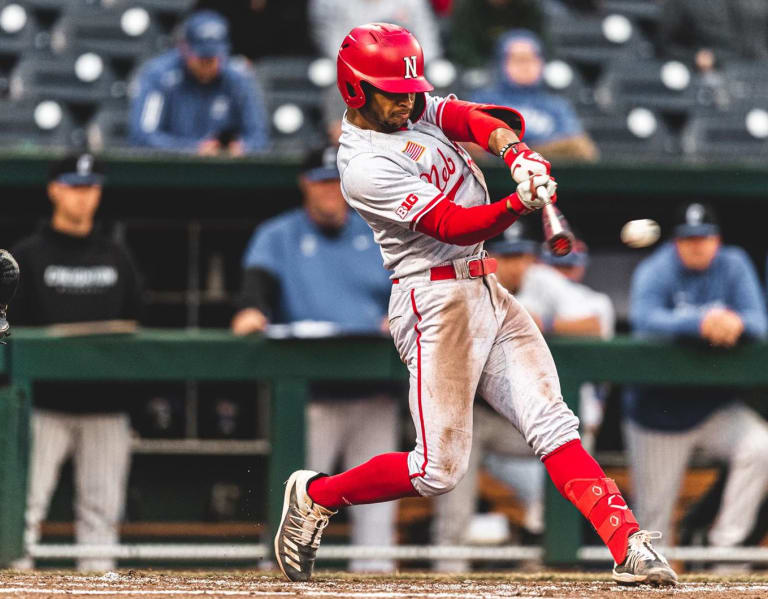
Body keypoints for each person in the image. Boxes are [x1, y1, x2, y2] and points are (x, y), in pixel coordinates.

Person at [273, 23, 677, 585]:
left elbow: (467, 118)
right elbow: (452, 225)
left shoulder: (409, 106)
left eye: (412, 90)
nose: (409, 101)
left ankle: (628, 545)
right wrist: (517, 201)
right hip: (433, 299)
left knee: (554, 423)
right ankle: (317, 496)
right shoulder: (363, 165)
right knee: (438, 470)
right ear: (355, 91)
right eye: (394, 92)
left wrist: (515, 153)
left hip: (486, 287)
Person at [231, 146, 398, 572]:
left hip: (374, 392)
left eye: (335, 182)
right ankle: (282, 577)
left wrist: (398, 316)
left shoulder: (375, 231)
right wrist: (251, 312)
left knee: (377, 517)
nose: (330, 192)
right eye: (322, 182)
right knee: (298, 503)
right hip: (309, 397)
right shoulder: (279, 235)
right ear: (306, 185)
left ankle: (374, 585)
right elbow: (255, 294)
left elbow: (408, 292)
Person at [10, 153, 143, 572]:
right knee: (21, 514)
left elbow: (139, 328)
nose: (83, 197)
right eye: (74, 187)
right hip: (40, 406)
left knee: (101, 519)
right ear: (54, 189)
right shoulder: (26, 256)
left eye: (90, 188)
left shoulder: (117, 255)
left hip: (105, 408)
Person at [625, 202, 768, 550]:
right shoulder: (657, 268)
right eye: (689, 239)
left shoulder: (733, 264)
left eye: (704, 238)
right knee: (653, 527)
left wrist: (734, 322)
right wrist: (701, 322)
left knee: (761, 447)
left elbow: (758, 324)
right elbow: (644, 320)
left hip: (713, 410)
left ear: (716, 240)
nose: (697, 245)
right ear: (676, 242)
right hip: (658, 416)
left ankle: (725, 550)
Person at [129, 10, 270, 155]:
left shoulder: (238, 78)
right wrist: (193, 149)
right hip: (171, 170)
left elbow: (259, 137)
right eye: (201, 58)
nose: (207, 65)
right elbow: (142, 137)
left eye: (212, 59)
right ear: (184, 49)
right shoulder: (158, 75)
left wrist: (241, 148)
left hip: (224, 170)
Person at [470, 30, 597, 162]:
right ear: (502, 63)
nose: (526, 66)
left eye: (532, 59)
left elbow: (577, 146)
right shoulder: (483, 101)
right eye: (518, 59)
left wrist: (516, 151)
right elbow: (473, 148)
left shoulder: (557, 105)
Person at [308, 0, 442, 63]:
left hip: (406, 69)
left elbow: (428, 44)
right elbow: (334, 48)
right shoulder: (330, 3)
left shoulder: (413, 3)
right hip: (356, 71)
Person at [659, 0, 768, 73]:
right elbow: (665, 45)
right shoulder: (682, 3)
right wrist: (694, 58)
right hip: (706, 75)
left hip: (755, 72)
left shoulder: (757, 4)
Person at [447, 0, 544, 68]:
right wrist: (481, 66)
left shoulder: (529, 6)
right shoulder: (466, 6)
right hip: (478, 67)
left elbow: (540, 42)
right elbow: (461, 45)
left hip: (522, 65)